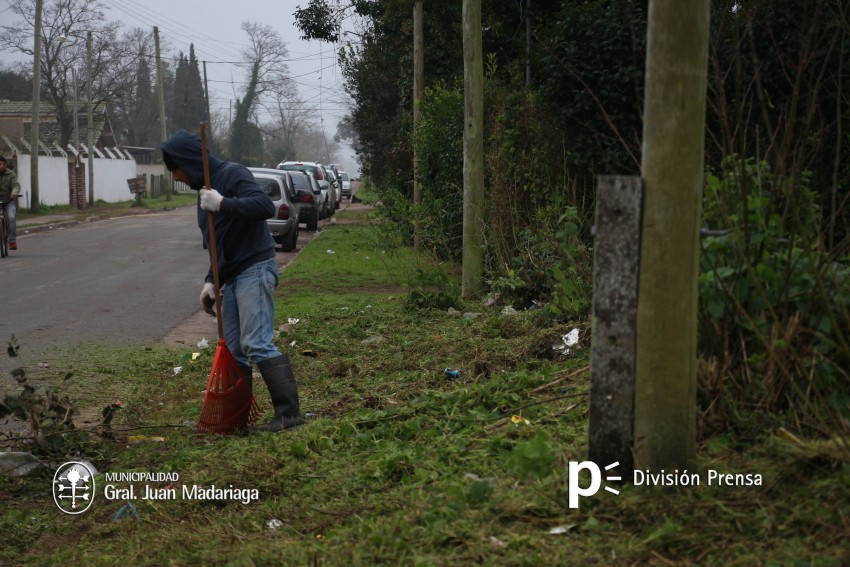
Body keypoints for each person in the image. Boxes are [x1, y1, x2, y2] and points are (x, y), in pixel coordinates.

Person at [160, 131, 303, 431]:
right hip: (234, 275)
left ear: (189, 162)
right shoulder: (203, 196)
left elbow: (264, 206)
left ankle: (289, 415)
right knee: (235, 349)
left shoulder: (232, 174)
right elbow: (218, 244)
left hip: (256, 268)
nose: (175, 178)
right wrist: (211, 281)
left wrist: (224, 203)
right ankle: (237, 420)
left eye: (175, 169)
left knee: (256, 343)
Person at [0, 156, 21, 250]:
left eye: (3, 164)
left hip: (9, 200)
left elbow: (16, 185)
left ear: (6, 165)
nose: (1, 166)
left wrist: (14, 192)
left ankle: (12, 241)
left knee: (12, 218)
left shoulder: (11, 174)